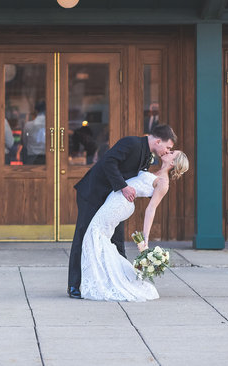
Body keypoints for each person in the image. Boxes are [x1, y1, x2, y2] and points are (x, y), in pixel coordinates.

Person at [67, 124, 177, 299]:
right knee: (84, 234)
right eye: (168, 147)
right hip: (94, 193)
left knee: (117, 240)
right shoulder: (131, 143)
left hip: (114, 200)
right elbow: (108, 162)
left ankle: (121, 278)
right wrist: (123, 187)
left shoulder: (149, 155)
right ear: (158, 141)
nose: (167, 151)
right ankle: (74, 284)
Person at [80, 150, 189, 301]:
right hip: (117, 198)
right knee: (98, 236)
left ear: (173, 163)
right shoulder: (154, 169)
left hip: (121, 203)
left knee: (94, 232)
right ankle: (104, 277)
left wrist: (145, 239)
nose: (167, 151)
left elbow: (151, 209)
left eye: (171, 153)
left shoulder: (163, 182)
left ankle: (102, 281)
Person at [23, 100, 46, 165]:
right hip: (48, 157)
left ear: (36, 111)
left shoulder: (28, 125)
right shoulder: (52, 124)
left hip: (32, 158)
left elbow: (25, 143)